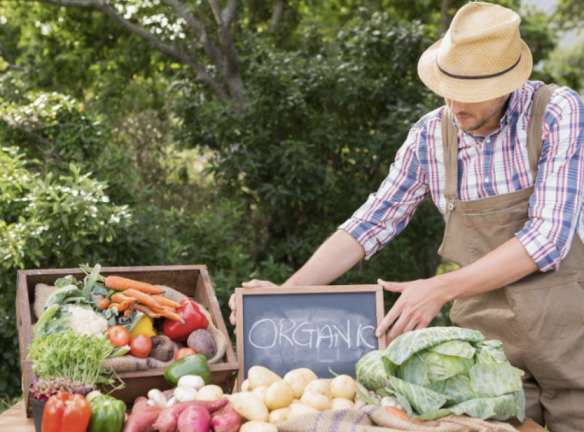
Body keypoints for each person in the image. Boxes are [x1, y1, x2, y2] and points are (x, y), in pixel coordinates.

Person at [229, 2, 584, 430]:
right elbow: (370, 223)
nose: (454, 103)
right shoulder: (430, 136)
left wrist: (438, 288)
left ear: (509, 81)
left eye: (469, 91)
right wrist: (282, 300)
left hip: (571, 334)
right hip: (487, 355)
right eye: (446, 87)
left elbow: (547, 238)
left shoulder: (557, 112)